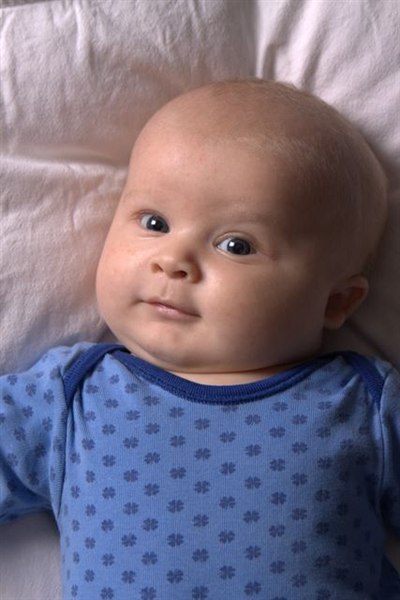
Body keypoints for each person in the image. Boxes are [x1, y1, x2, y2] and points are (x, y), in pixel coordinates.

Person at [1, 79, 399, 600]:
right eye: (154, 222)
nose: (173, 260)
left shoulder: (366, 405)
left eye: (236, 245)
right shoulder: (70, 397)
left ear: (336, 302)